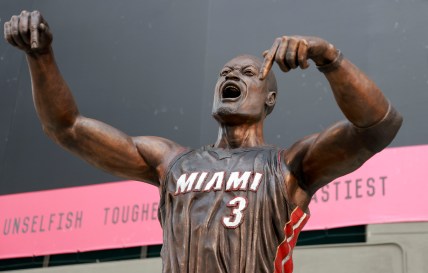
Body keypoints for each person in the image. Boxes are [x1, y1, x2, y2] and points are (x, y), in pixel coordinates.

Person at [4, 10, 402, 273]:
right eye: (226, 72)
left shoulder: (289, 165)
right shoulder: (171, 161)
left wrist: (328, 56)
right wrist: (41, 57)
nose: (233, 75)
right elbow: (67, 128)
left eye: (249, 73)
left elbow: (378, 125)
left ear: (270, 99)